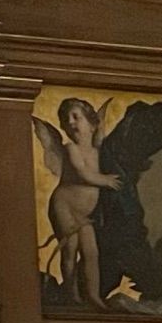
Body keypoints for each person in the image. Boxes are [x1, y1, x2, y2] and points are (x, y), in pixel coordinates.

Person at [33, 97, 123, 309]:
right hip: (64, 206)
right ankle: (71, 295)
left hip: (85, 215)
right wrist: (106, 180)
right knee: (70, 250)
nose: (71, 122)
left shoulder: (99, 152)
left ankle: (93, 296)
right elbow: (83, 173)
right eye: (67, 119)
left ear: (92, 124)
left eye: (77, 117)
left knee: (92, 253)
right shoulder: (70, 148)